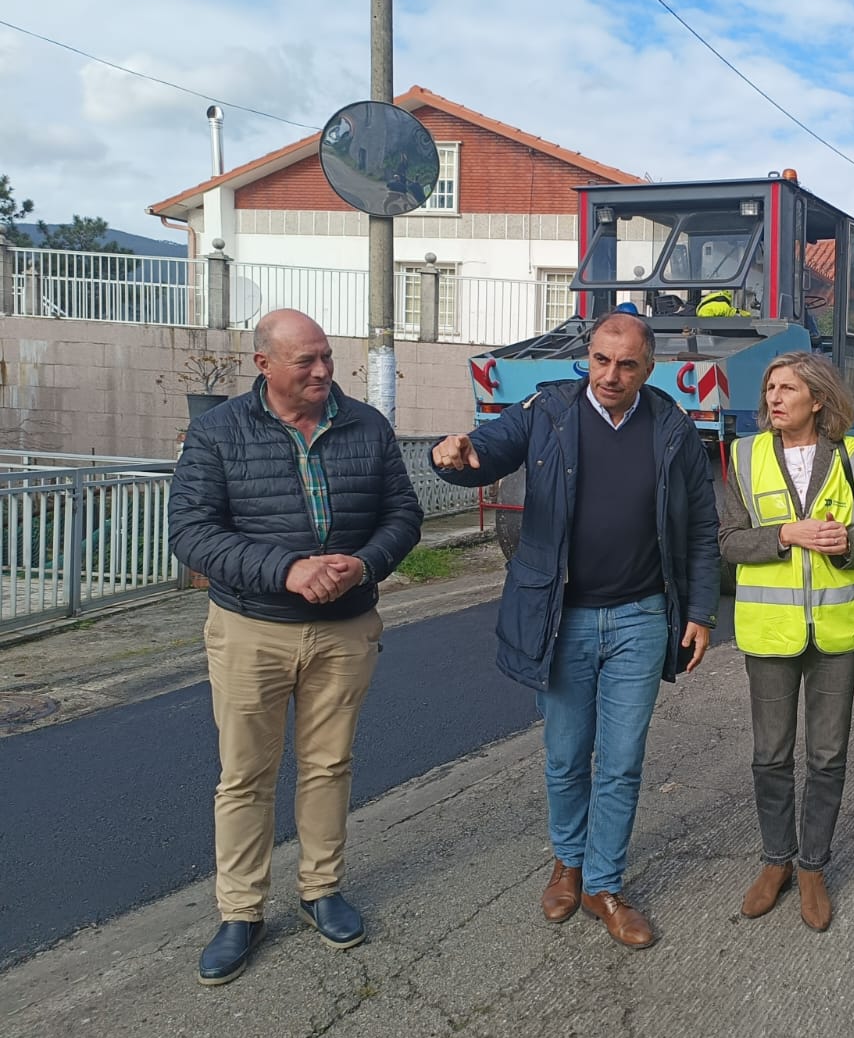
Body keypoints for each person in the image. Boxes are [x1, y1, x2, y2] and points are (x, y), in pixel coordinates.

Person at [430, 311, 719, 950]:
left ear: (650, 368)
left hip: (642, 618)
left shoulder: (671, 426)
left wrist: (699, 613)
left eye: (627, 365)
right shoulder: (547, 410)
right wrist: (452, 456)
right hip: (562, 616)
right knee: (566, 757)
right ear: (588, 357)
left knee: (620, 762)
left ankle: (604, 884)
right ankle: (568, 863)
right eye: (601, 360)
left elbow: (701, 528)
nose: (611, 375)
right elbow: (485, 451)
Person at [169, 309, 423, 986]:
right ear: (264, 366)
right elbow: (191, 532)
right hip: (250, 628)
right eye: (304, 361)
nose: (321, 371)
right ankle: (241, 911)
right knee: (246, 774)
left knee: (328, 766)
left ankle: (320, 891)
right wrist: (286, 570)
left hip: (345, 630)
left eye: (326, 357)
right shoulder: (218, 432)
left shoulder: (366, 425)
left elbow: (403, 514)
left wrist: (364, 564)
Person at [718, 353, 854, 931]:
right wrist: (786, 535)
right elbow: (727, 541)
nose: (774, 397)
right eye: (770, 387)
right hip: (770, 633)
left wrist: (846, 545)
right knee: (771, 756)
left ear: (817, 400)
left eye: (787, 388)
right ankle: (776, 862)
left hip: (839, 633)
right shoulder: (743, 457)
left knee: (827, 756)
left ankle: (813, 865)